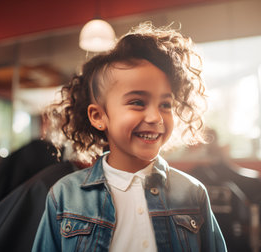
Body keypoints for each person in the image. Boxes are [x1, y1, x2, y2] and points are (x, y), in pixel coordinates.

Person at [32, 22, 226, 252]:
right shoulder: (64, 195)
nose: (156, 117)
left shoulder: (193, 194)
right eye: (137, 102)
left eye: (165, 104)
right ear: (98, 116)